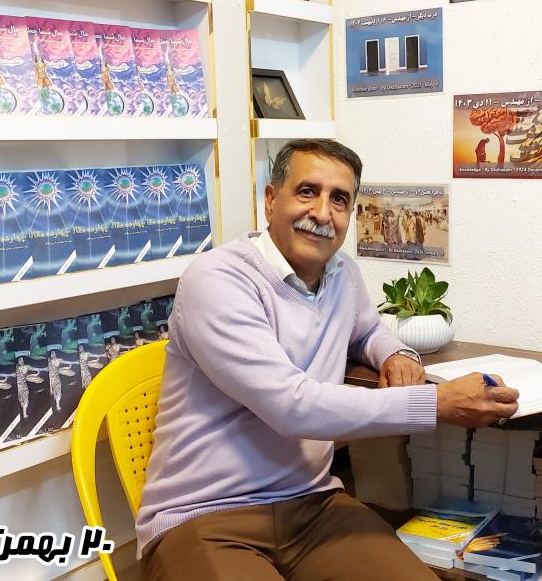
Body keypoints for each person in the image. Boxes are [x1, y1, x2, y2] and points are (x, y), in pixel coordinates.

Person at [136, 139, 519, 581]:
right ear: (270, 199)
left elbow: (367, 330)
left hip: (312, 502)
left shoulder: (341, 274)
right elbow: (291, 406)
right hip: (206, 515)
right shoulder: (218, 278)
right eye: (307, 191)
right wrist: (438, 403)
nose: (322, 213)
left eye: (339, 199)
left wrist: (394, 352)